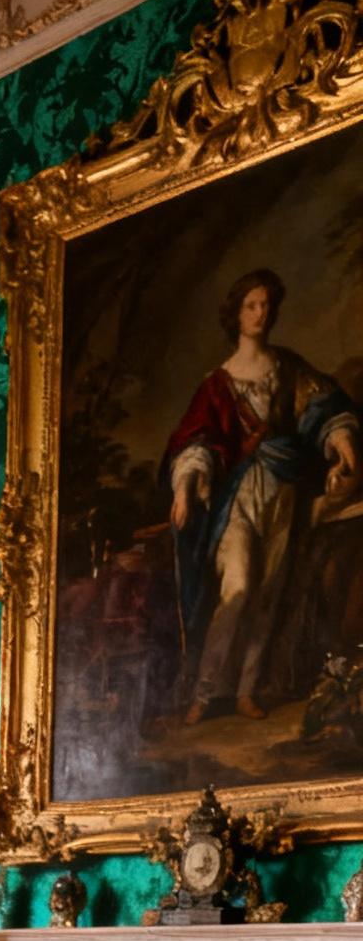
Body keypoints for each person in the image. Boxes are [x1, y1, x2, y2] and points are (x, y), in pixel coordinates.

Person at [167, 268, 359, 721]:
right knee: (239, 586)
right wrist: (184, 486)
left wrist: (343, 441)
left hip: (283, 494)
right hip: (237, 498)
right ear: (236, 314)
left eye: (267, 305)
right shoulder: (218, 382)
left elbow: (325, 410)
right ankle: (205, 690)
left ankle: (246, 689)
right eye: (252, 305)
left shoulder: (288, 368)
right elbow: (196, 440)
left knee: (269, 593)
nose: (261, 313)